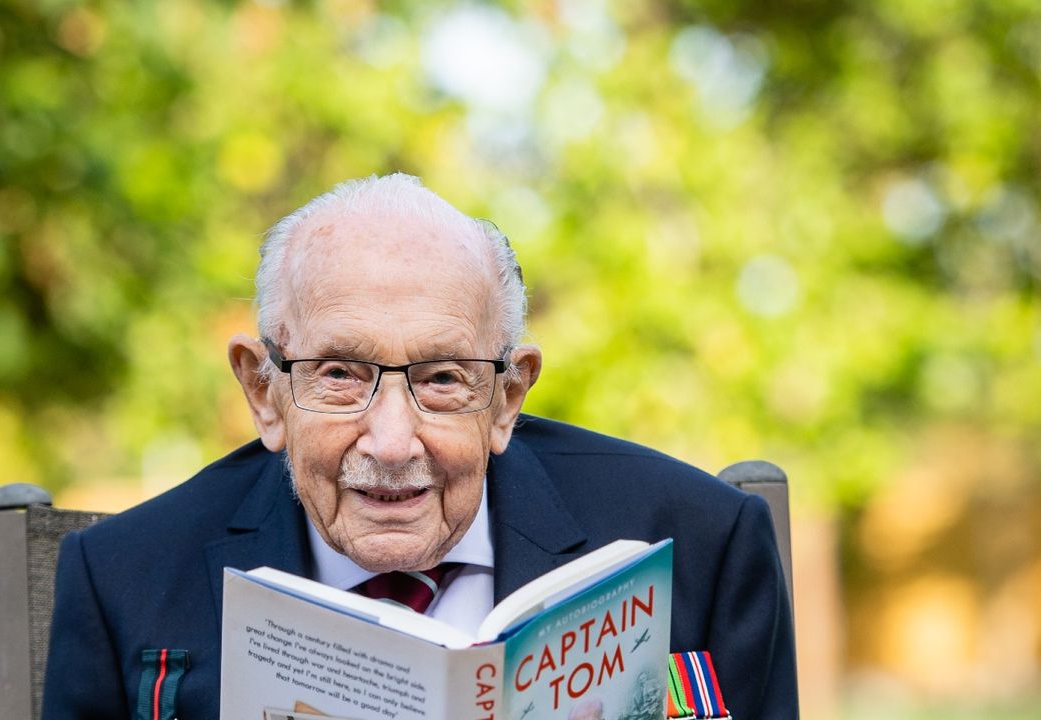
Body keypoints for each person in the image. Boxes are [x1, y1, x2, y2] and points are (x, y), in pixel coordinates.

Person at [42, 174, 798, 719]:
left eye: (441, 378)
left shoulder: (700, 541)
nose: (394, 440)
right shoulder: (123, 580)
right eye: (340, 373)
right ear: (265, 392)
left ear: (506, 398)